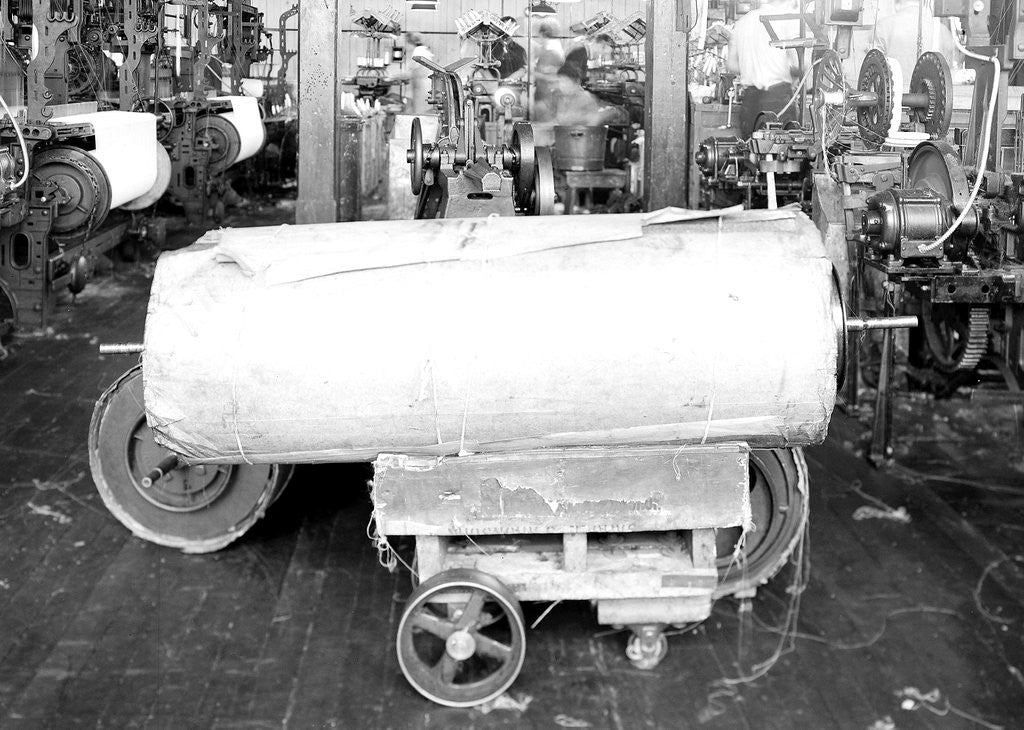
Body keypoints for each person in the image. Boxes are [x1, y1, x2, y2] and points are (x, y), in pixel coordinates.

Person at [726, 0, 803, 137]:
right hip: (777, 99)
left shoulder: (742, 22)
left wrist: (751, 69)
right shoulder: (786, 19)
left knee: (750, 147)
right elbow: (799, 64)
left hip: (749, 103)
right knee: (783, 147)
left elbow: (731, 64)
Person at [872, 0, 961, 90]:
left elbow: (872, 66)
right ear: (924, 3)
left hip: (891, 95)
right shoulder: (941, 29)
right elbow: (953, 69)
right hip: (930, 95)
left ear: (896, 4)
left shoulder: (882, 26)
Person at [531, 18, 565, 121]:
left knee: (545, 125)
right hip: (547, 95)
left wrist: (532, 71)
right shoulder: (554, 49)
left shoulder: (551, 51)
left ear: (542, 34)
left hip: (546, 96)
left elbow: (551, 76)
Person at [403, 32, 434, 115]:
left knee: (420, 111)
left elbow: (416, 71)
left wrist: (398, 77)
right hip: (424, 85)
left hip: (421, 87)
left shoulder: (418, 51)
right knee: (421, 110)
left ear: (411, 42)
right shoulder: (424, 50)